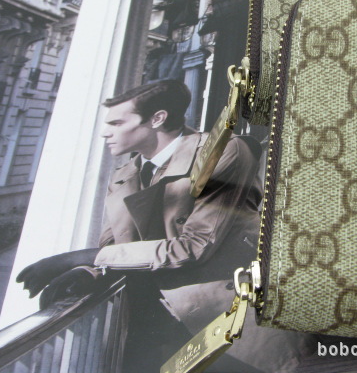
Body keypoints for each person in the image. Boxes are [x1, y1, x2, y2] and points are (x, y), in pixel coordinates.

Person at [16, 80, 312, 372]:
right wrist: (87, 271)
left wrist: (75, 258)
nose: (106, 132)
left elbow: (193, 247)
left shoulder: (224, 152)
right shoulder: (124, 175)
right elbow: (115, 248)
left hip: (228, 325)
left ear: (157, 119)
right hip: (156, 324)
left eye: (117, 123)